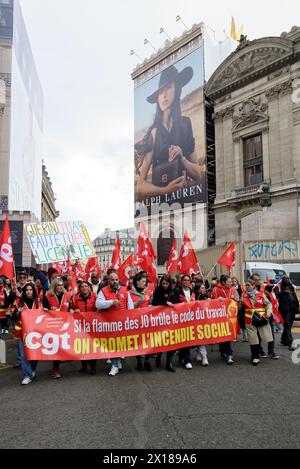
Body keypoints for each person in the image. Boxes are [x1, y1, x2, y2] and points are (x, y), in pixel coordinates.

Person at [135, 64, 203, 199]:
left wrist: (182, 158)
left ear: (177, 90)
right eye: (160, 92)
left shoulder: (185, 124)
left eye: (168, 88)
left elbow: (198, 175)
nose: (164, 95)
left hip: (186, 200)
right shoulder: (154, 133)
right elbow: (140, 186)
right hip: (162, 205)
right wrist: (165, 190)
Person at [96, 272, 134, 376]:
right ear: (108, 281)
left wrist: (129, 317)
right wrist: (111, 302)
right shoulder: (103, 291)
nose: (115, 282)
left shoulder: (125, 290)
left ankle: (118, 362)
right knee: (112, 344)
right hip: (110, 323)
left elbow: (130, 304)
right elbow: (98, 304)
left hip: (122, 322)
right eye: (112, 280)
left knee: (120, 343)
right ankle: (114, 365)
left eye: (116, 279)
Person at [43, 279, 73, 379]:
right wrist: (48, 309)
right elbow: (43, 308)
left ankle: (61, 362)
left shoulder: (67, 295)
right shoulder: (47, 296)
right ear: (54, 286)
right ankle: (55, 370)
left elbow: (70, 307)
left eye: (61, 285)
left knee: (63, 346)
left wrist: (72, 309)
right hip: (53, 325)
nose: (60, 287)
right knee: (55, 347)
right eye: (58, 285)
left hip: (65, 325)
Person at [241, 280, 275, 366]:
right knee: (253, 339)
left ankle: (261, 352)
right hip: (249, 320)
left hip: (261, 319)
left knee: (262, 337)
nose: (247, 287)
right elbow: (239, 308)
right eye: (246, 285)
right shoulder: (243, 295)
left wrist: (269, 312)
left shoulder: (261, 294)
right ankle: (254, 357)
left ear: (253, 286)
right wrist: (239, 301)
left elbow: (268, 304)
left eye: (248, 285)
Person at [13, 282, 40, 385]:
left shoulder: (38, 302)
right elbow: (13, 318)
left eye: (31, 290)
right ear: (24, 291)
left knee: (35, 355)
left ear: (33, 291)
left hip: (35, 333)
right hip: (22, 332)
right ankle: (27, 375)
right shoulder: (18, 302)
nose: (29, 292)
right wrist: (17, 312)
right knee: (24, 355)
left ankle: (32, 369)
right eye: (27, 290)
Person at [152, 275, 179, 372]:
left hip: (171, 320)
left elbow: (178, 303)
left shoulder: (175, 291)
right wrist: (164, 303)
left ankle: (169, 363)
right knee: (160, 340)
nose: (165, 286)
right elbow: (155, 302)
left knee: (171, 341)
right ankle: (158, 356)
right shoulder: (158, 291)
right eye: (163, 283)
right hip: (160, 319)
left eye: (167, 284)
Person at [71, 281, 98, 375]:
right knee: (82, 346)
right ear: (80, 288)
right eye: (82, 286)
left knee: (92, 347)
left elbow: (98, 308)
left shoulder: (95, 296)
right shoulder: (75, 298)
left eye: (86, 286)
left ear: (89, 287)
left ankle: (93, 367)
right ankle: (84, 365)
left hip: (92, 325)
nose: (84, 288)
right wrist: (75, 310)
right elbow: (71, 309)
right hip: (81, 326)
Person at [211, 275, 239, 365]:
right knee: (223, 334)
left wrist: (236, 299)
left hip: (230, 315)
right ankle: (228, 353)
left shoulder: (233, 289)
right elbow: (212, 302)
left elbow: (238, 300)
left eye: (232, 282)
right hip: (220, 316)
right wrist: (217, 300)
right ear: (223, 282)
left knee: (227, 334)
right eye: (229, 282)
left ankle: (226, 352)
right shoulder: (216, 289)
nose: (231, 283)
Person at [130, 273, 153, 371]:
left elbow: (152, 303)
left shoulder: (148, 292)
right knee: (138, 342)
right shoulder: (130, 293)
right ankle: (139, 361)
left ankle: (147, 360)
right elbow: (130, 307)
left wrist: (151, 305)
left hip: (147, 322)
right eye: (143, 281)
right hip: (136, 322)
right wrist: (139, 301)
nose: (145, 283)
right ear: (137, 282)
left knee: (148, 341)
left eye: (146, 282)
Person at [274, 276, 299, 351]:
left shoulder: (291, 286)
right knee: (287, 324)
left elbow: (295, 297)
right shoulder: (278, 287)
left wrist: (297, 308)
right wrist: (284, 292)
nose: (287, 280)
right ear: (282, 280)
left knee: (289, 325)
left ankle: (283, 339)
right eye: (286, 279)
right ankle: (290, 343)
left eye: (288, 279)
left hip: (293, 308)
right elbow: (276, 294)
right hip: (285, 309)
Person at [176, 275, 195, 370]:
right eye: (185, 280)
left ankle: (182, 356)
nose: (187, 282)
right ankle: (187, 360)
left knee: (188, 339)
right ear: (181, 281)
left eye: (188, 280)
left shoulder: (192, 291)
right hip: (181, 319)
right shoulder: (177, 291)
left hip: (190, 318)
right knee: (184, 338)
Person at [194, 283, 210, 366]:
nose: (204, 289)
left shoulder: (204, 296)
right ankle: (204, 356)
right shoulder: (196, 297)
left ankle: (199, 354)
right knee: (200, 338)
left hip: (203, 321)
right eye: (203, 288)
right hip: (197, 321)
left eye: (204, 288)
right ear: (198, 290)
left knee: (200, 339)